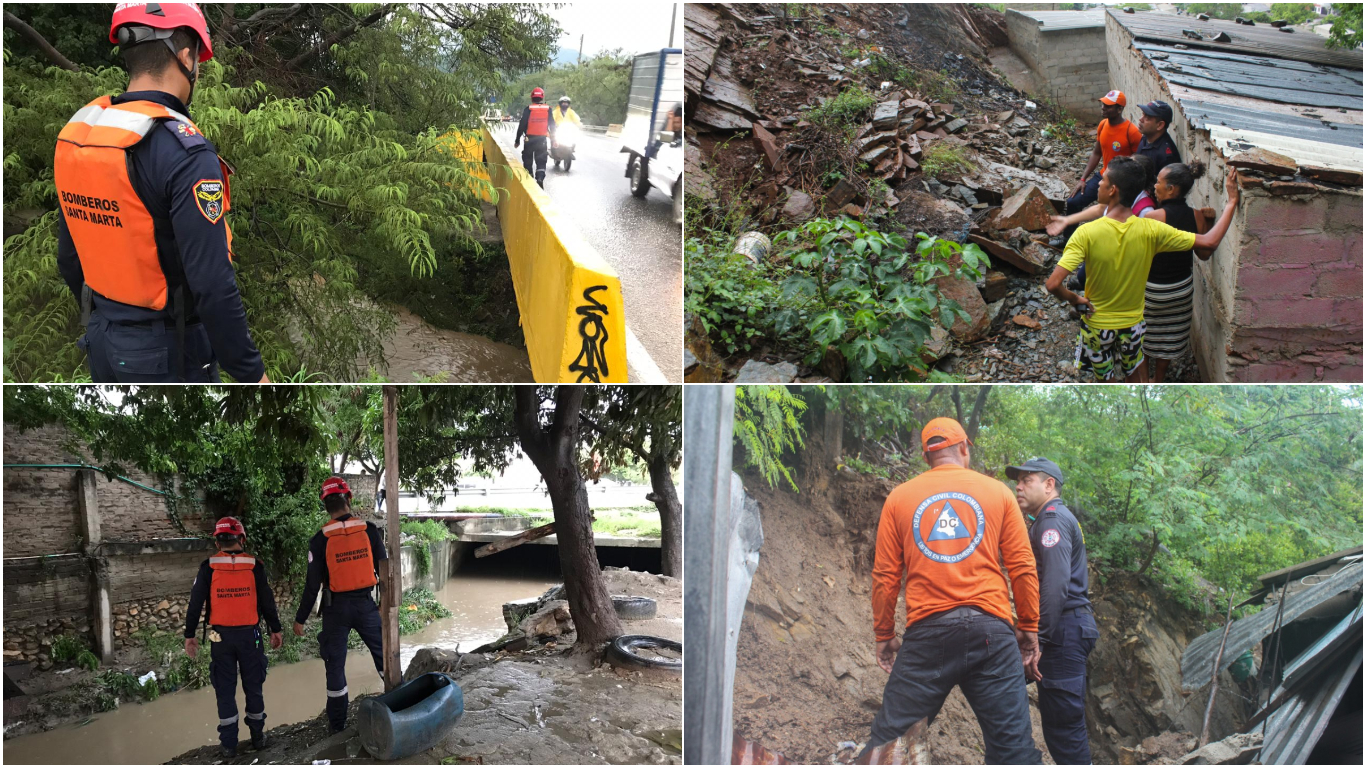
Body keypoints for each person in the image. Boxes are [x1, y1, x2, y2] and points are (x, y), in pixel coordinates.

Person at [55, 3, 268, 384]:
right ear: (186, 57)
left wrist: (111, 319)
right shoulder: (186, 153)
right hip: (167, 349)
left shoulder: (82, 136)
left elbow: (70, 260)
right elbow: (213, 285)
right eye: (197, 61)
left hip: (103, 340)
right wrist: (251, 375)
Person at [863, 418, 1042, 764]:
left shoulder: (899, 498)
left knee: (889, 747)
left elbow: (885, 575)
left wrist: (884, 634)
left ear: (926, 456)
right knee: (1014, 751)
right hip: (992, 631)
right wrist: (1029, 626)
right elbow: (1022, 566)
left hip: (928, 634)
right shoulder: (999, 493)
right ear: (963, 448)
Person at [1044, 156, 1241, 383]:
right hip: (1132, 327)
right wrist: (1231, 203)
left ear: (1113, 190)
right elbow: (1209, 243)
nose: (1097, 183)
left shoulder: (1086, 233)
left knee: (1104, 381)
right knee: (1134, 377)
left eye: (1103, 180)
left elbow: (1052, 284)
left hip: (1096, 324)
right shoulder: (1151, 229)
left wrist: (1074, 300)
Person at [1006, 458, 1097, 766]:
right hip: (1066, 628)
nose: (1017, 485)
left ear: (1049, 485)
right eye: (1017, 480)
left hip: (1062, 631)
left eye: (1026, 480)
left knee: (1064, 729)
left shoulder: (1052, 520)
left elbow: (1055, 585)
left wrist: (1037, 639)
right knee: (1058, 724)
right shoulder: (1050, 518)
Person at [293, 477, 388, 734]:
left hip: (336, 610)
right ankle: (398, 705)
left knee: (335, 666)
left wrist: (300, 619)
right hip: (367, 606)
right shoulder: (369, 530)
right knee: (384, 657)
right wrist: (384, 604)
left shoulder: (320, 539)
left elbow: (312, 585)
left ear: (325, 505)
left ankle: (337, 727)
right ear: (350, 500)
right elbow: (385, 569)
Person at [185, 517, 283, 758]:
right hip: (251, 637)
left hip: (220, 638)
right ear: (242, 539)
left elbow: (195, 603)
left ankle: (228, 745)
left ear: (218, 543)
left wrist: (190, 635)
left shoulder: (208, 567)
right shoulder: (255, 566)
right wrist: (275, 629)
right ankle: (258, 738)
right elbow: (267, 602)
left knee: (225, 690)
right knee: (254, 687)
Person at [1140, 161, 1216, 382]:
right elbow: (1204, 255)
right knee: (1170, 335)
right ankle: (1160, 377)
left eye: (1159, 182)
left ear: (1171, 188)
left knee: (1144, 333)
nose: (1155, 186)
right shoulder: (1198, 217)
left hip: (1153, 289)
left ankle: (1144, 378)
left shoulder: (1153, 218)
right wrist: (1209, 223)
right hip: (1181, 289)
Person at [1054, 90, 1143, 248]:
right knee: (1073, 202)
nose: (1103, 108)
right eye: (1103, 104)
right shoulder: (1103, 125)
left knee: (1110, 215)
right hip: (1103, 176)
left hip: (1121, 183)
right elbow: (1096, 153)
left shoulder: (1132, 132)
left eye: (1108, 106)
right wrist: (1083, 179)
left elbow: (1140, 160)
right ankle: (1068, 240)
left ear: (1119, 109)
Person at [514, 87, 553, 188]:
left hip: (529, 139)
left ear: (532, 97)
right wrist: (554, 140)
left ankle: (529, 177)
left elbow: (522, 124)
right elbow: (553, 125)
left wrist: (517, 140)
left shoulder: (528, 109)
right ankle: (539, 178)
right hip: (542, 140)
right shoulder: (548, 109)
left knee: (527, 158)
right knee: (541, 160)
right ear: (542, 97)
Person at [1134, 100, 1182, 179]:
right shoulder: (1146, 137)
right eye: (1143, 114)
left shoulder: (1166, 156)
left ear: (1160, 125)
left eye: (1147, 118)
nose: (1141, 119)